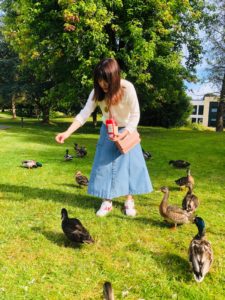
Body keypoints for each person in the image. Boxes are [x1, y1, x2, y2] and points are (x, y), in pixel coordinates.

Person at [55, 58, 153, 217]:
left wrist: (125, 132)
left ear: (115, 77)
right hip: (107, 130)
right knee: (104, 166)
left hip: (127, 130)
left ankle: (129, 200)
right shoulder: (96, 92)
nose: (103, 84)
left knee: (129, 166)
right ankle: (107, 201)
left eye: (106, 80)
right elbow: (84, 114)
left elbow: (135, 115)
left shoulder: (127, 88)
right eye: (100, 80)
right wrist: (67, 132)